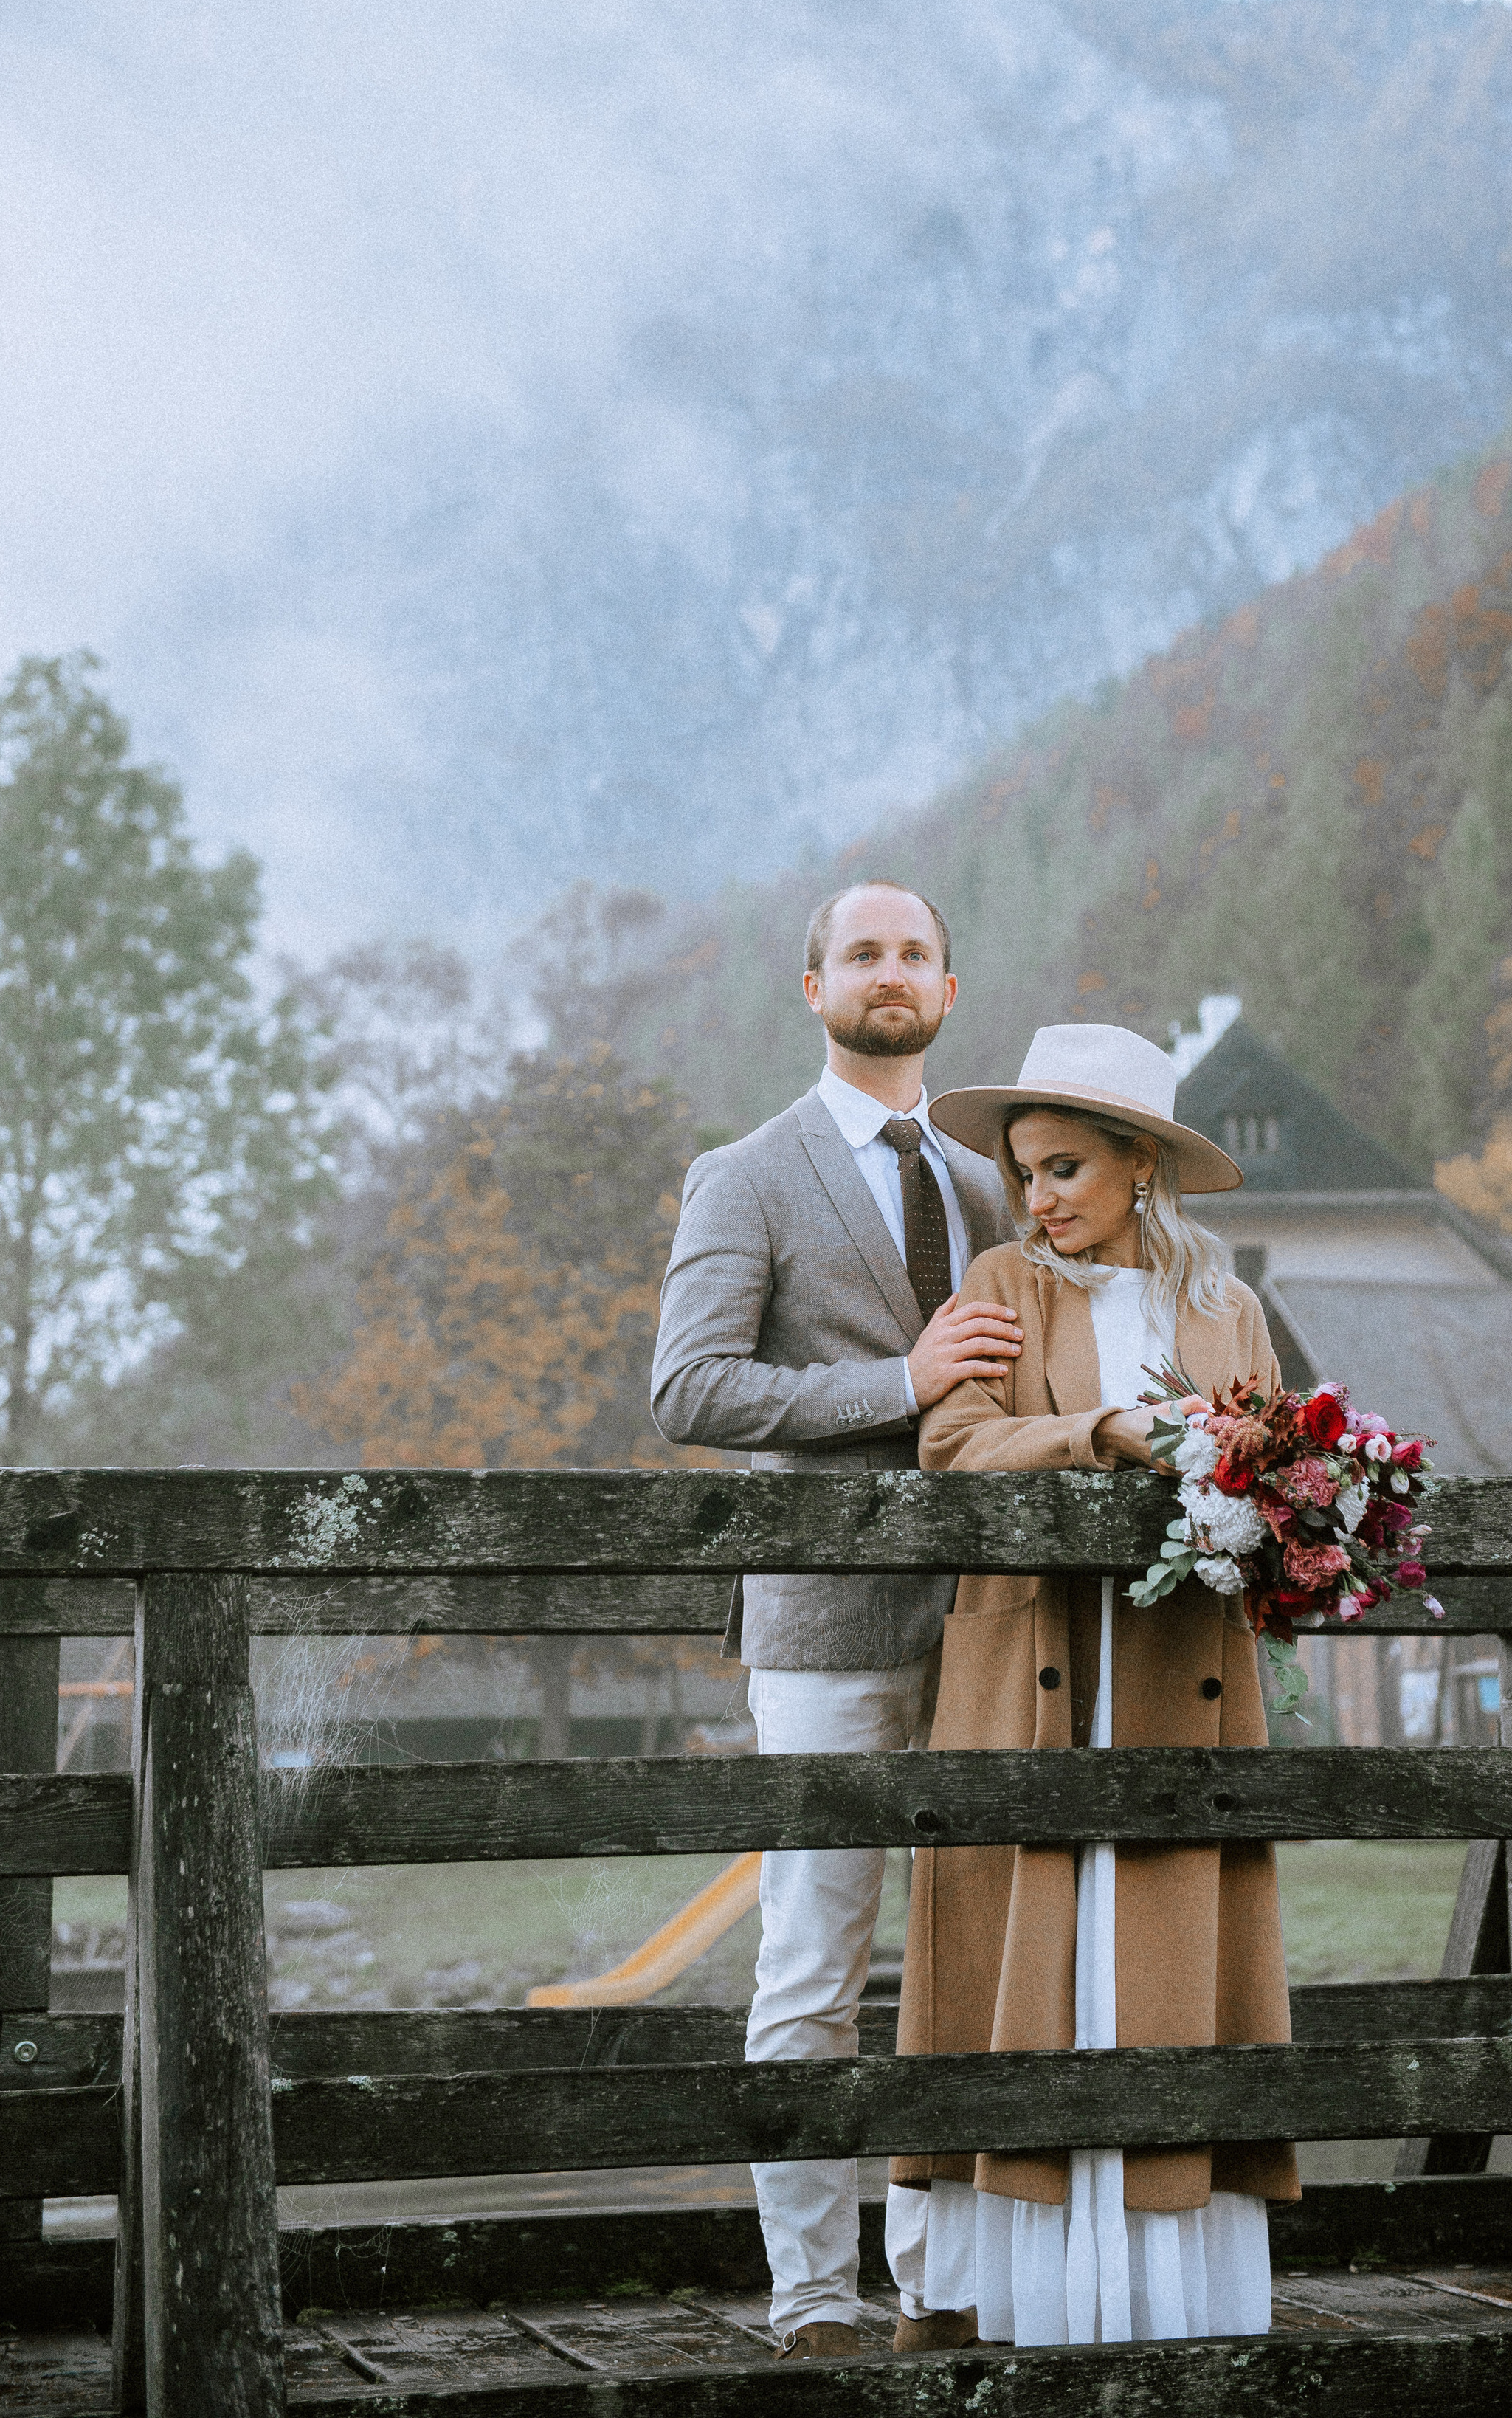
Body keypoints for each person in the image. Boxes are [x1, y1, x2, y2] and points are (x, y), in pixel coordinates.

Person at [884, 1022, 1300, 2353]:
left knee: (1167, 1950)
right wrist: (1100, 1432)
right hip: (1036, 1670)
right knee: (1036, 1949)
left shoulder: (1227, 1308)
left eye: (1066, 1166)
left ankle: (1174, 2295)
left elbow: (1274, 1459)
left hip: (1182, 1673)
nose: (1041, 1197)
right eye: (1024, 1172)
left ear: (1140, 1162)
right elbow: (953, 1442)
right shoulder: (1005, 1281)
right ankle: (1017, 2289)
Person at [649, 879, 1020, 2360]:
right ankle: (811, 2300)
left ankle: (938, 2283)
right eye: (861, 952)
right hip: (819, 1629)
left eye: (913, 953)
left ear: (946, 987)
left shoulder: (999, 1188)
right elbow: (689, 1392)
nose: (890, 972)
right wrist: (899, 1385)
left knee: (969, 1954)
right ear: (813, 987)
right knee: (812, 1960)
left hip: (995, 1625)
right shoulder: (742, 1174)